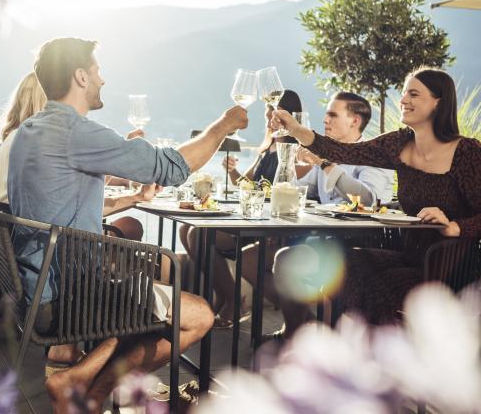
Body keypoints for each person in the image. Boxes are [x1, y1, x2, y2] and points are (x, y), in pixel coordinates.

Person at [7, 38, 248, 413]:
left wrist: (127, 177)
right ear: (81, 76)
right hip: (71, 296)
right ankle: (85, 387)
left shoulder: (31, 130)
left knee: (139, 285)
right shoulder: (75, 131)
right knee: (199, 315)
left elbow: (63, 194)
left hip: (36, 289)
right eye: (98, 71)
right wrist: (224, 125)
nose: (103, 80)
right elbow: (172, 167)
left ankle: (85, 385)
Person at [272, 68, 481, 328]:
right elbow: (343, 151)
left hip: (452, 268)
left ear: (439, 102)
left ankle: (381, 353)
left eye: (413, 94)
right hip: (407, 256)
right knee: (343, 264)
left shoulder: (467, 153)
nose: (403, 100)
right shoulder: (399, 143)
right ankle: (357, 351)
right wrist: (296, 129)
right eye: (404, 93)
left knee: (376, 285)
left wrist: (456, 227)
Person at [241, 91, 394, 338]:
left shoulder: (370, 157)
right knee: (257, 257)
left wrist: (323, 164)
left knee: (286, 260)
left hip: (358, 247)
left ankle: (297, 333)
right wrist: (285, 163)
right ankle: (298, 330)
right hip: (322, 239)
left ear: (355, 120)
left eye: (333, 114)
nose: (325, 120)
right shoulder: (329, 154)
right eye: (326, 114)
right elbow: (303, 191)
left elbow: (369, 200)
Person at [178, 90, 303, 327]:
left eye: (272, 115)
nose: (269, 120)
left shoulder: (295, 150)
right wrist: (232, 171)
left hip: (270, 225)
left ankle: (235, 300)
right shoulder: (268, 147)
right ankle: (225, 297)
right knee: (187, 229)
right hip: (255, 218)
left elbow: (296, 189)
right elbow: (246, 183)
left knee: (198, 235)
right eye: (268, 115)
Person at [0, 72, 150, 241]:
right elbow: (75, 211)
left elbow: (67, 204)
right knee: (130, 227)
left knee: (129, 228)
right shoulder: (39, 143)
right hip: (45, 245)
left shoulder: (16, 138)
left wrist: (133, 194)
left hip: (9, 240)